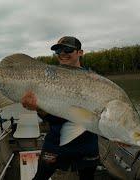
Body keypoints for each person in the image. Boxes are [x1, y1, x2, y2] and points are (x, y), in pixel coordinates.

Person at [21, 36, 100, 180]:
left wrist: (120, 135)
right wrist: (37, 108)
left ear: (80, 52)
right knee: (40, 177)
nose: (62, 53)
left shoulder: (94, 79)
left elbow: (103, 117)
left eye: (68, 49)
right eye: (58, 50)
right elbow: (51, 118)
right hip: (56, 141)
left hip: (87, 145)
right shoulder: (48, 77)